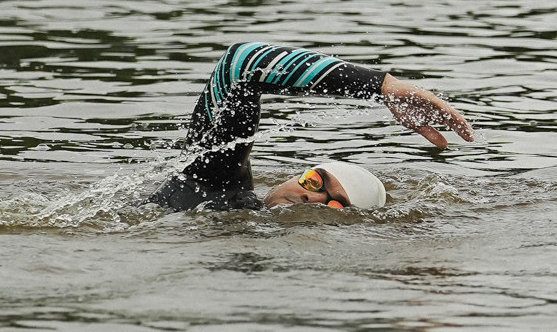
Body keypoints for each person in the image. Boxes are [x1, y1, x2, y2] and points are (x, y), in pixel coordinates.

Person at [151, 41, 474, 212]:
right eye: (315, 181)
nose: (311, 198)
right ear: (297, 174)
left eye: (335, 205)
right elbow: (242, 64)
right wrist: (380, 86)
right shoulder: (212, 183)